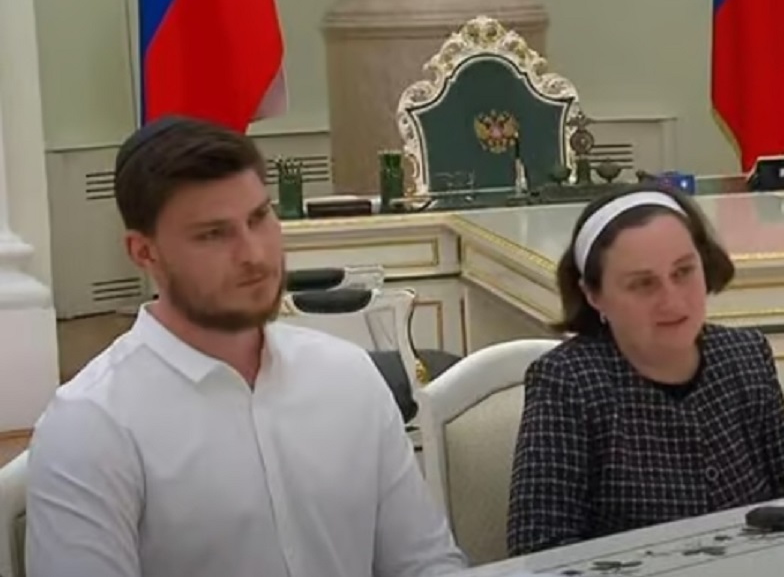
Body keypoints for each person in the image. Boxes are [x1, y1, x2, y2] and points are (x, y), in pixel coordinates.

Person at [24, 117, 468, 577]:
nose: (254, 254)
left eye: (259, 218)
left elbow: (423, 563)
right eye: (213, 234)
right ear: (144, 252)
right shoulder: (92, 426)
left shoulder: (348, 376)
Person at [505, 185, 784, 556]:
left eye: (683, 272)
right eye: (643, 284)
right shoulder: (567, 382)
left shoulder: (746, 356)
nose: (672, 300)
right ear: (593, 295)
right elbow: (539, 550)